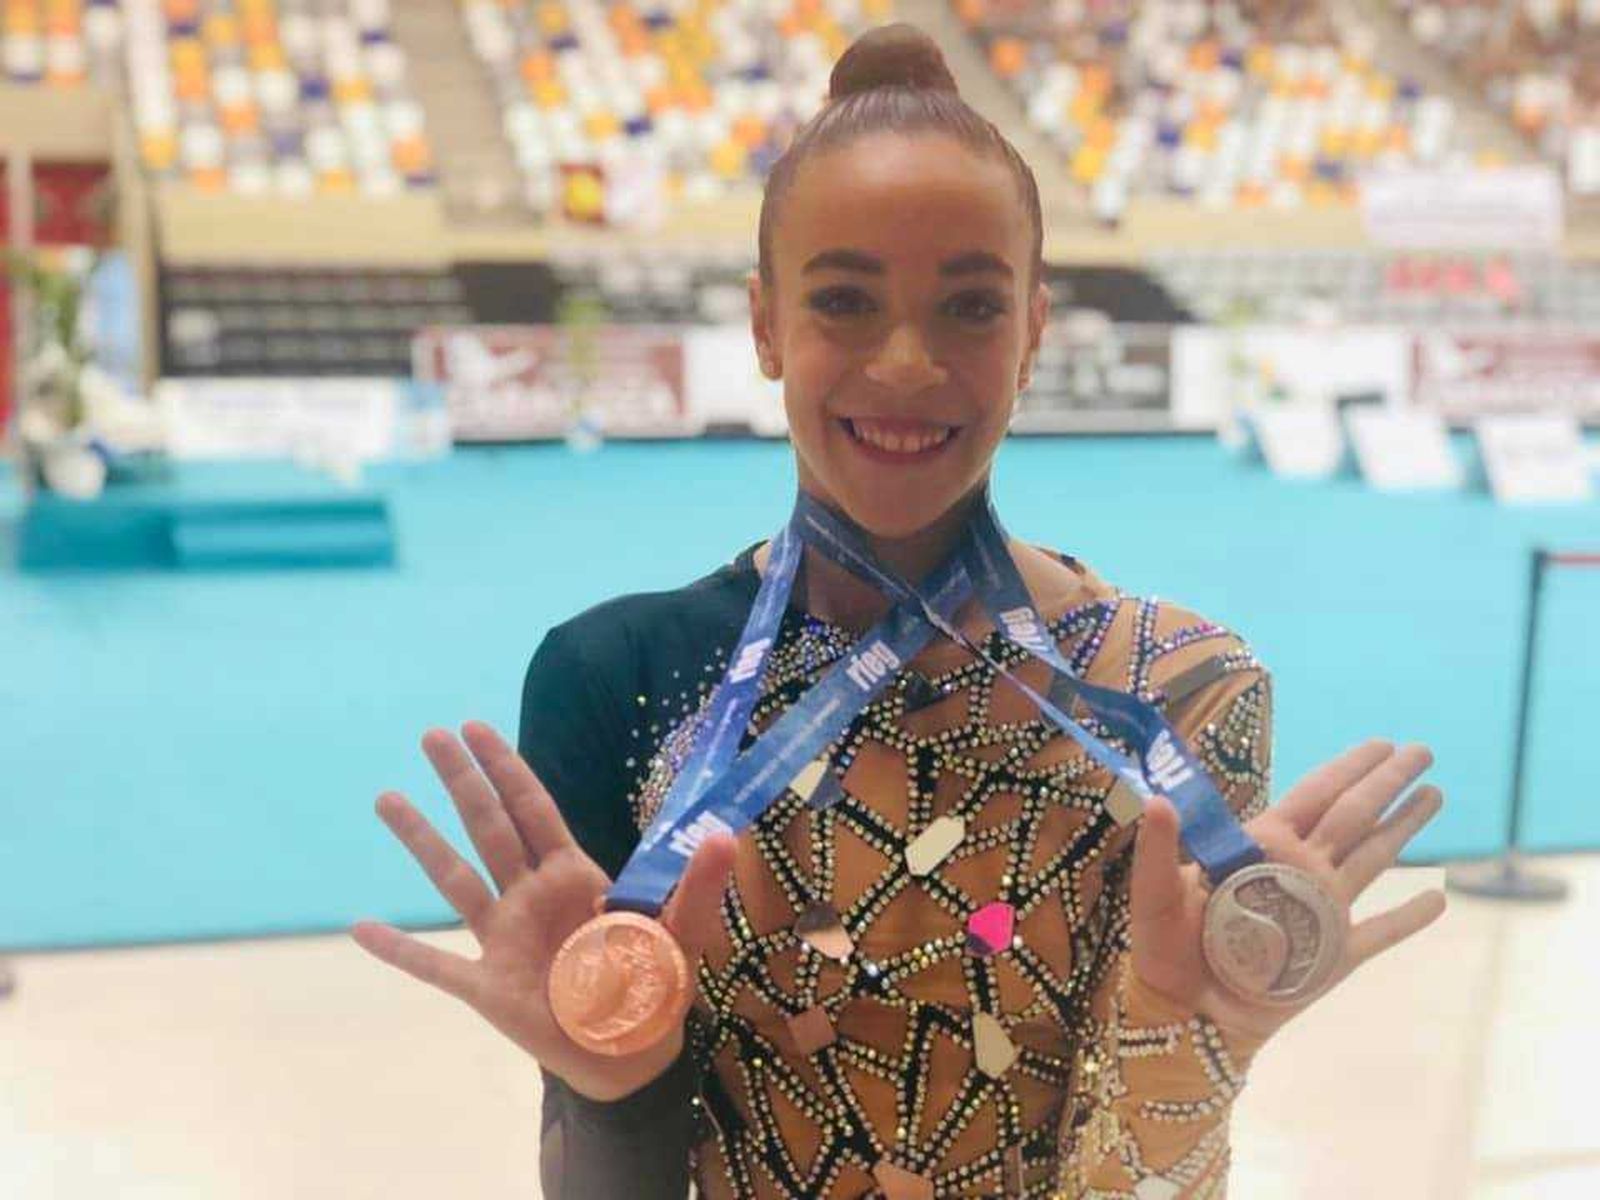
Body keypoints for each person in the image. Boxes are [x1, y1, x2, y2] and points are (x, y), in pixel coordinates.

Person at [349, 24, 1447, 1199]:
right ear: (766, 325)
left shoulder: (1173, 692)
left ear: (1033, 329)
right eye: (845, 303)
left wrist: (1197, 1041)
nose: (909, 362)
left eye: (971, 308)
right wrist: (609, 1086)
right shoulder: (616, 677)